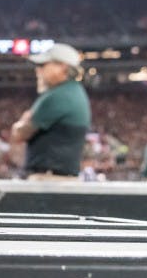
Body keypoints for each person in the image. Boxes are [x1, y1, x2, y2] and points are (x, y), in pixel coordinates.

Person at [10, 43, 91, 180]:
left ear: (62, 68)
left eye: (44, 65)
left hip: (49, 179)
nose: (38, 70)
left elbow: (19, 134)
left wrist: (21, 122)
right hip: (60, 178)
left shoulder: (58, 95)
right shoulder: (73, 91)